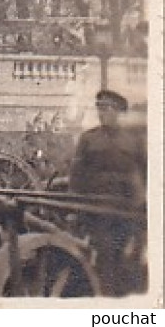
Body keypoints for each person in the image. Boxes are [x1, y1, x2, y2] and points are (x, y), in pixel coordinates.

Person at [69, 89, 146, 295]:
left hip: (126, 210)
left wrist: (143, 201)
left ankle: (122, 296)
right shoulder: (88, 139)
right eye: (99, 108)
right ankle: (103, 295)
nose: (102, 113)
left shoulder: (133, 141)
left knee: (125, 256)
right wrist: (74, 207)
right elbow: (76, 175)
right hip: (96, 210)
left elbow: (145, 172)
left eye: (107, 108)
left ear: (118, 111)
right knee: (103, 254)